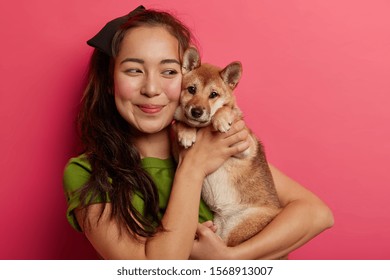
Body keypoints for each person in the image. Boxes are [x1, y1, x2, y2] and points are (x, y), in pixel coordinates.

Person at [63, 5, 333, 260]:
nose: (151, 88)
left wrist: (230, 259)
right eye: (134, 70)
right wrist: (193, 167)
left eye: (168, 71)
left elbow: (317, 213)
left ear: (185, 74)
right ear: (110, 82)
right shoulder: (87, 172)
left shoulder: (215, 143)